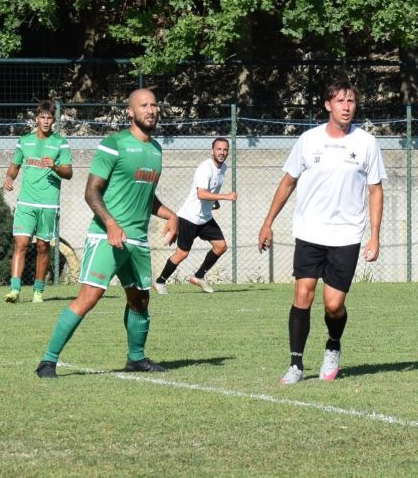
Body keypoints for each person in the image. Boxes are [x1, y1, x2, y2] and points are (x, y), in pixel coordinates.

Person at [36, 89, 178, 378]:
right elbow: (92, 192)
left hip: (137, 240)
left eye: (154, 104)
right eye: (143, 105)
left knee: (140, 299)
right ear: (130, 112)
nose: (150, 110)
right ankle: (48, 361)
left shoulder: (156, 150)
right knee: (90, 296)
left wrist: (170, 214)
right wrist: (112, 224)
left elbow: (145, 195)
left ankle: (136, 359)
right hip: (106, 236)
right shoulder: (113, 144)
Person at [258, 80, 385, 384]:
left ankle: (333, 345)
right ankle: (296, 365)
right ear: (328, 105)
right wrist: (267, 222)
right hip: (310, 231)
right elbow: (288, 182)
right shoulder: (308, 140)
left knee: (333, 304)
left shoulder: (366, 142)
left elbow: (376, 190)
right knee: (303, 293)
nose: (346, 106)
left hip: (346, 235)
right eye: (340, 101)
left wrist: (375, 235)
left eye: (351, 101)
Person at [4, 101, 73, 303]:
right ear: (37, 119)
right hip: (26, 202)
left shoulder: (61, 143)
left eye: (49, 117)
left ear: (53, 120)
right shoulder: (24, 141)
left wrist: (55, 166)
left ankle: (38, 292)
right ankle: (15, 291)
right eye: (42, 117)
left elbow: (68, 172)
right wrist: (9, 178)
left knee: (43, 247)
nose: (45, 121)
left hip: (49, 204)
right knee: (21, 244)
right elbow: (14, 166)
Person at [154, 137, 237, 294]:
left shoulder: (223, 168)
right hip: (189, 218)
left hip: (205, 218)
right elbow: (201, 193)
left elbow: (211, 191)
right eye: (219, 149)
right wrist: (226, 197)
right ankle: (160, 282)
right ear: (212, 150)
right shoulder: (205, 168)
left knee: (221, 247)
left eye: (225, 149)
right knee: (182, 254)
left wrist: (215, 203)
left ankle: (199, 276)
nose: (222, 152)